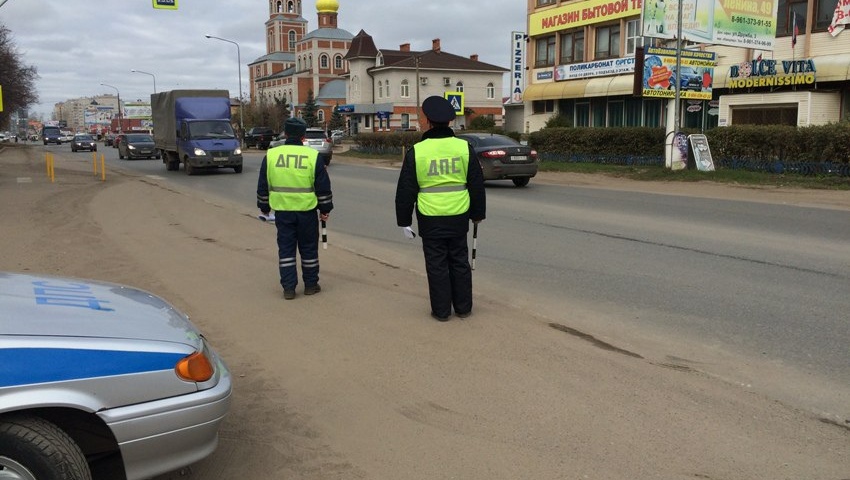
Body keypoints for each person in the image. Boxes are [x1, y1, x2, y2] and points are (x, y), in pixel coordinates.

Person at [395, 96, 486, 321]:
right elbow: (476, 183)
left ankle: (442, 311)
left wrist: (404, 221)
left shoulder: (418, 151)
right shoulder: (464, 147)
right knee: (459, 262)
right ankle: (464, 308)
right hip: (458, 215)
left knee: (436, 265)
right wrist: (477, 214)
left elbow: (406, 189)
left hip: (430, 216)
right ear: (450, 121)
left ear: (427, 120)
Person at [257, 117, 333, 300]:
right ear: (302, 136)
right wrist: (325, 209)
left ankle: (289, 289)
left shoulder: (272, 155)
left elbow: (263, 185)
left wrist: (264, 207)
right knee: (308, 250)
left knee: (286, 250)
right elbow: (323, 187)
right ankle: (311, 285)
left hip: (282, 213)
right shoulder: (313, 156)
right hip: (306, 212)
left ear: (285, 133)